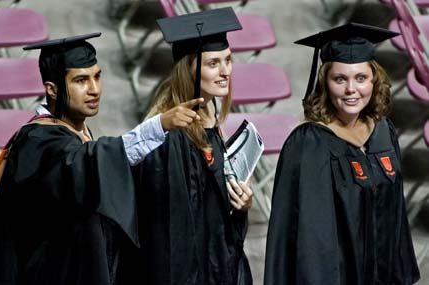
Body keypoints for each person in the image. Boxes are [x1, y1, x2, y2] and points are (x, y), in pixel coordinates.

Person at [0, 32, 203, 285]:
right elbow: (85, 163)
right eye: (81, 80)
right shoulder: (36, 142)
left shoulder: (71, 130)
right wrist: (158, 125)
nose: (94, 89)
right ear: (52, 89)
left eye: (97, 77)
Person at [264, 23, 420, 284]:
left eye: (361, 78)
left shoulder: (382, 132)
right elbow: (311, 242)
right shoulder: (310, 144)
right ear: (325, 83)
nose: (351, 90)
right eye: (340, 79)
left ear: (374, 80)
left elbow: (396, 217)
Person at [132, 7, 253, 284]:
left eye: (228, 60)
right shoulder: (171, 133)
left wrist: (241, 205)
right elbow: (171, 232)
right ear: (188, 69)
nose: (225, 72)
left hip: (215, 261)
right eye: (213, 63)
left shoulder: (208, 112)